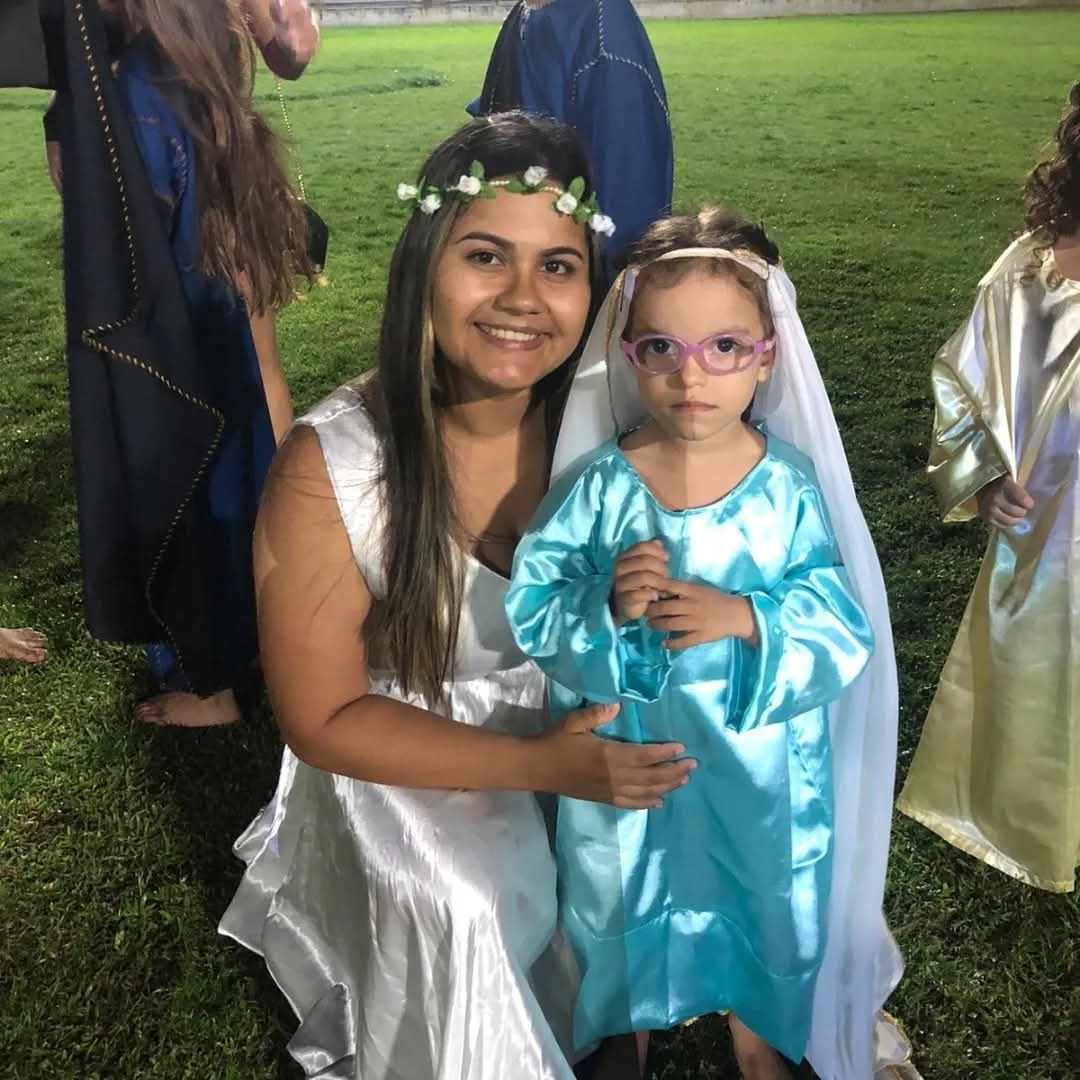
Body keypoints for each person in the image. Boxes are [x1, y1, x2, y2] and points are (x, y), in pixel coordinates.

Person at [218, 112, 696, 1079]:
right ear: (424, 266)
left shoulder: (613, 429)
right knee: (472, 904)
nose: (522, 298)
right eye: (486, 256)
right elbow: (322, 718)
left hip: (580, 725)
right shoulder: (337, 466)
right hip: (403, 751)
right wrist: (545, 768)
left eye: (557, 266)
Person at [515, 206, 909, 1080]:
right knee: (619, 881)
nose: (692, 375)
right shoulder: (601, 488)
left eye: (724, 347)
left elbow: (838, 619)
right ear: (628, 354)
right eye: (663, 347)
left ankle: (759, 1025)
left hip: (758, 761)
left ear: (767, 355)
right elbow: (538, 601)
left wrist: (747, 618)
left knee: (765, 888)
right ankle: (623, 1019)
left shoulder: (788, 488)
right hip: (633, 753)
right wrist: (607, 603)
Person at [103, 0, 313, 725]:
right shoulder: (196, 57)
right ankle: (274, 614)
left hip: (186, 295)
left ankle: (213, 675)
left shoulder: (142, 85)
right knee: (257, 379)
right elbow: (291, 43)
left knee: (194, 446)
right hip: (219, 183)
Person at [897, 81, 1080, 894]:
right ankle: (1028, 813)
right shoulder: (1030, 270)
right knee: (1040, 666)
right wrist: (985, 474)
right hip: (1052, 521)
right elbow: (966, 383)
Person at [469, 0, 673, 275]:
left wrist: (604, 282)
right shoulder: (524, 13)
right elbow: (499, 110)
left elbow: (627, 189)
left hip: (569, 259)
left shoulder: (603, 28)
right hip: (518, 237)